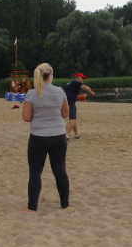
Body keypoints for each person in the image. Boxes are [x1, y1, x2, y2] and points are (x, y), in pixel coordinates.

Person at [22, 63, 70, 212]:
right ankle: (65, 204)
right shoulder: (60, 91)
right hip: (58, 135)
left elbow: (26, 117)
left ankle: (32, 207)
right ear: (51, 75)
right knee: (60, 170)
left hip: (39, 136)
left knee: (35, 172)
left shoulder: (31, 94)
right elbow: (65, 114)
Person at [62, 73, 95, 140]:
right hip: (70, 102)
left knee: (74, 119)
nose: (83, 80)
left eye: (84, 78)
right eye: (82, 78)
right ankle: (66, 135)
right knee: (72, 119)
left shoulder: (70, 83)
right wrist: (91, 92)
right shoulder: (76, 82)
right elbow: (86, 87)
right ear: (77, 77)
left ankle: (77, 135)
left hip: (64, 102)